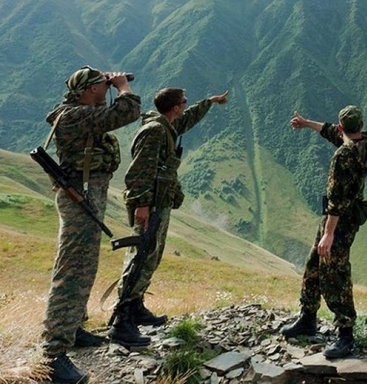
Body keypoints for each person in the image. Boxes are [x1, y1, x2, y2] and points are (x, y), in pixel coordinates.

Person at [40, 66, 141, 384]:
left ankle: (74, 330)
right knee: (72, 273)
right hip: (79, 200)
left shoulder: (82, 111)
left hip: (87, 197)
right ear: (86, 91)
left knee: (85, 267)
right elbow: (127, 111)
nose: (106, 86)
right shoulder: (74, 117)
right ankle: (52, 355)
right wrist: (122, 87)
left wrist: (109, 86)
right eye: (100, 84)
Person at [108, 87, 229, 346]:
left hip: (159, 201)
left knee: (151, 255)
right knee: (140, 257)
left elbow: (188, 119)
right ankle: (122, 321)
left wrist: (209, 101)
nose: (186, 105)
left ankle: (136, 306)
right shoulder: (155, 131)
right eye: (184, 102)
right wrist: (141, 205)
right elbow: (139, 169)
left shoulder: (167, 126)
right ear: (174, 107)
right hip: (149, 205)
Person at [281, 105, 367, 359]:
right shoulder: (365, 142)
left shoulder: (344, 156)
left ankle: (346, 335)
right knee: (314, 264)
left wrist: (328, 234)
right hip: (341, 218)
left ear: (343, 127)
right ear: (361, 126)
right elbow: (333, 131)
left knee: (335, 274)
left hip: (339, 222)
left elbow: (336, 198)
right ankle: (307, 317)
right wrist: (306, 122)